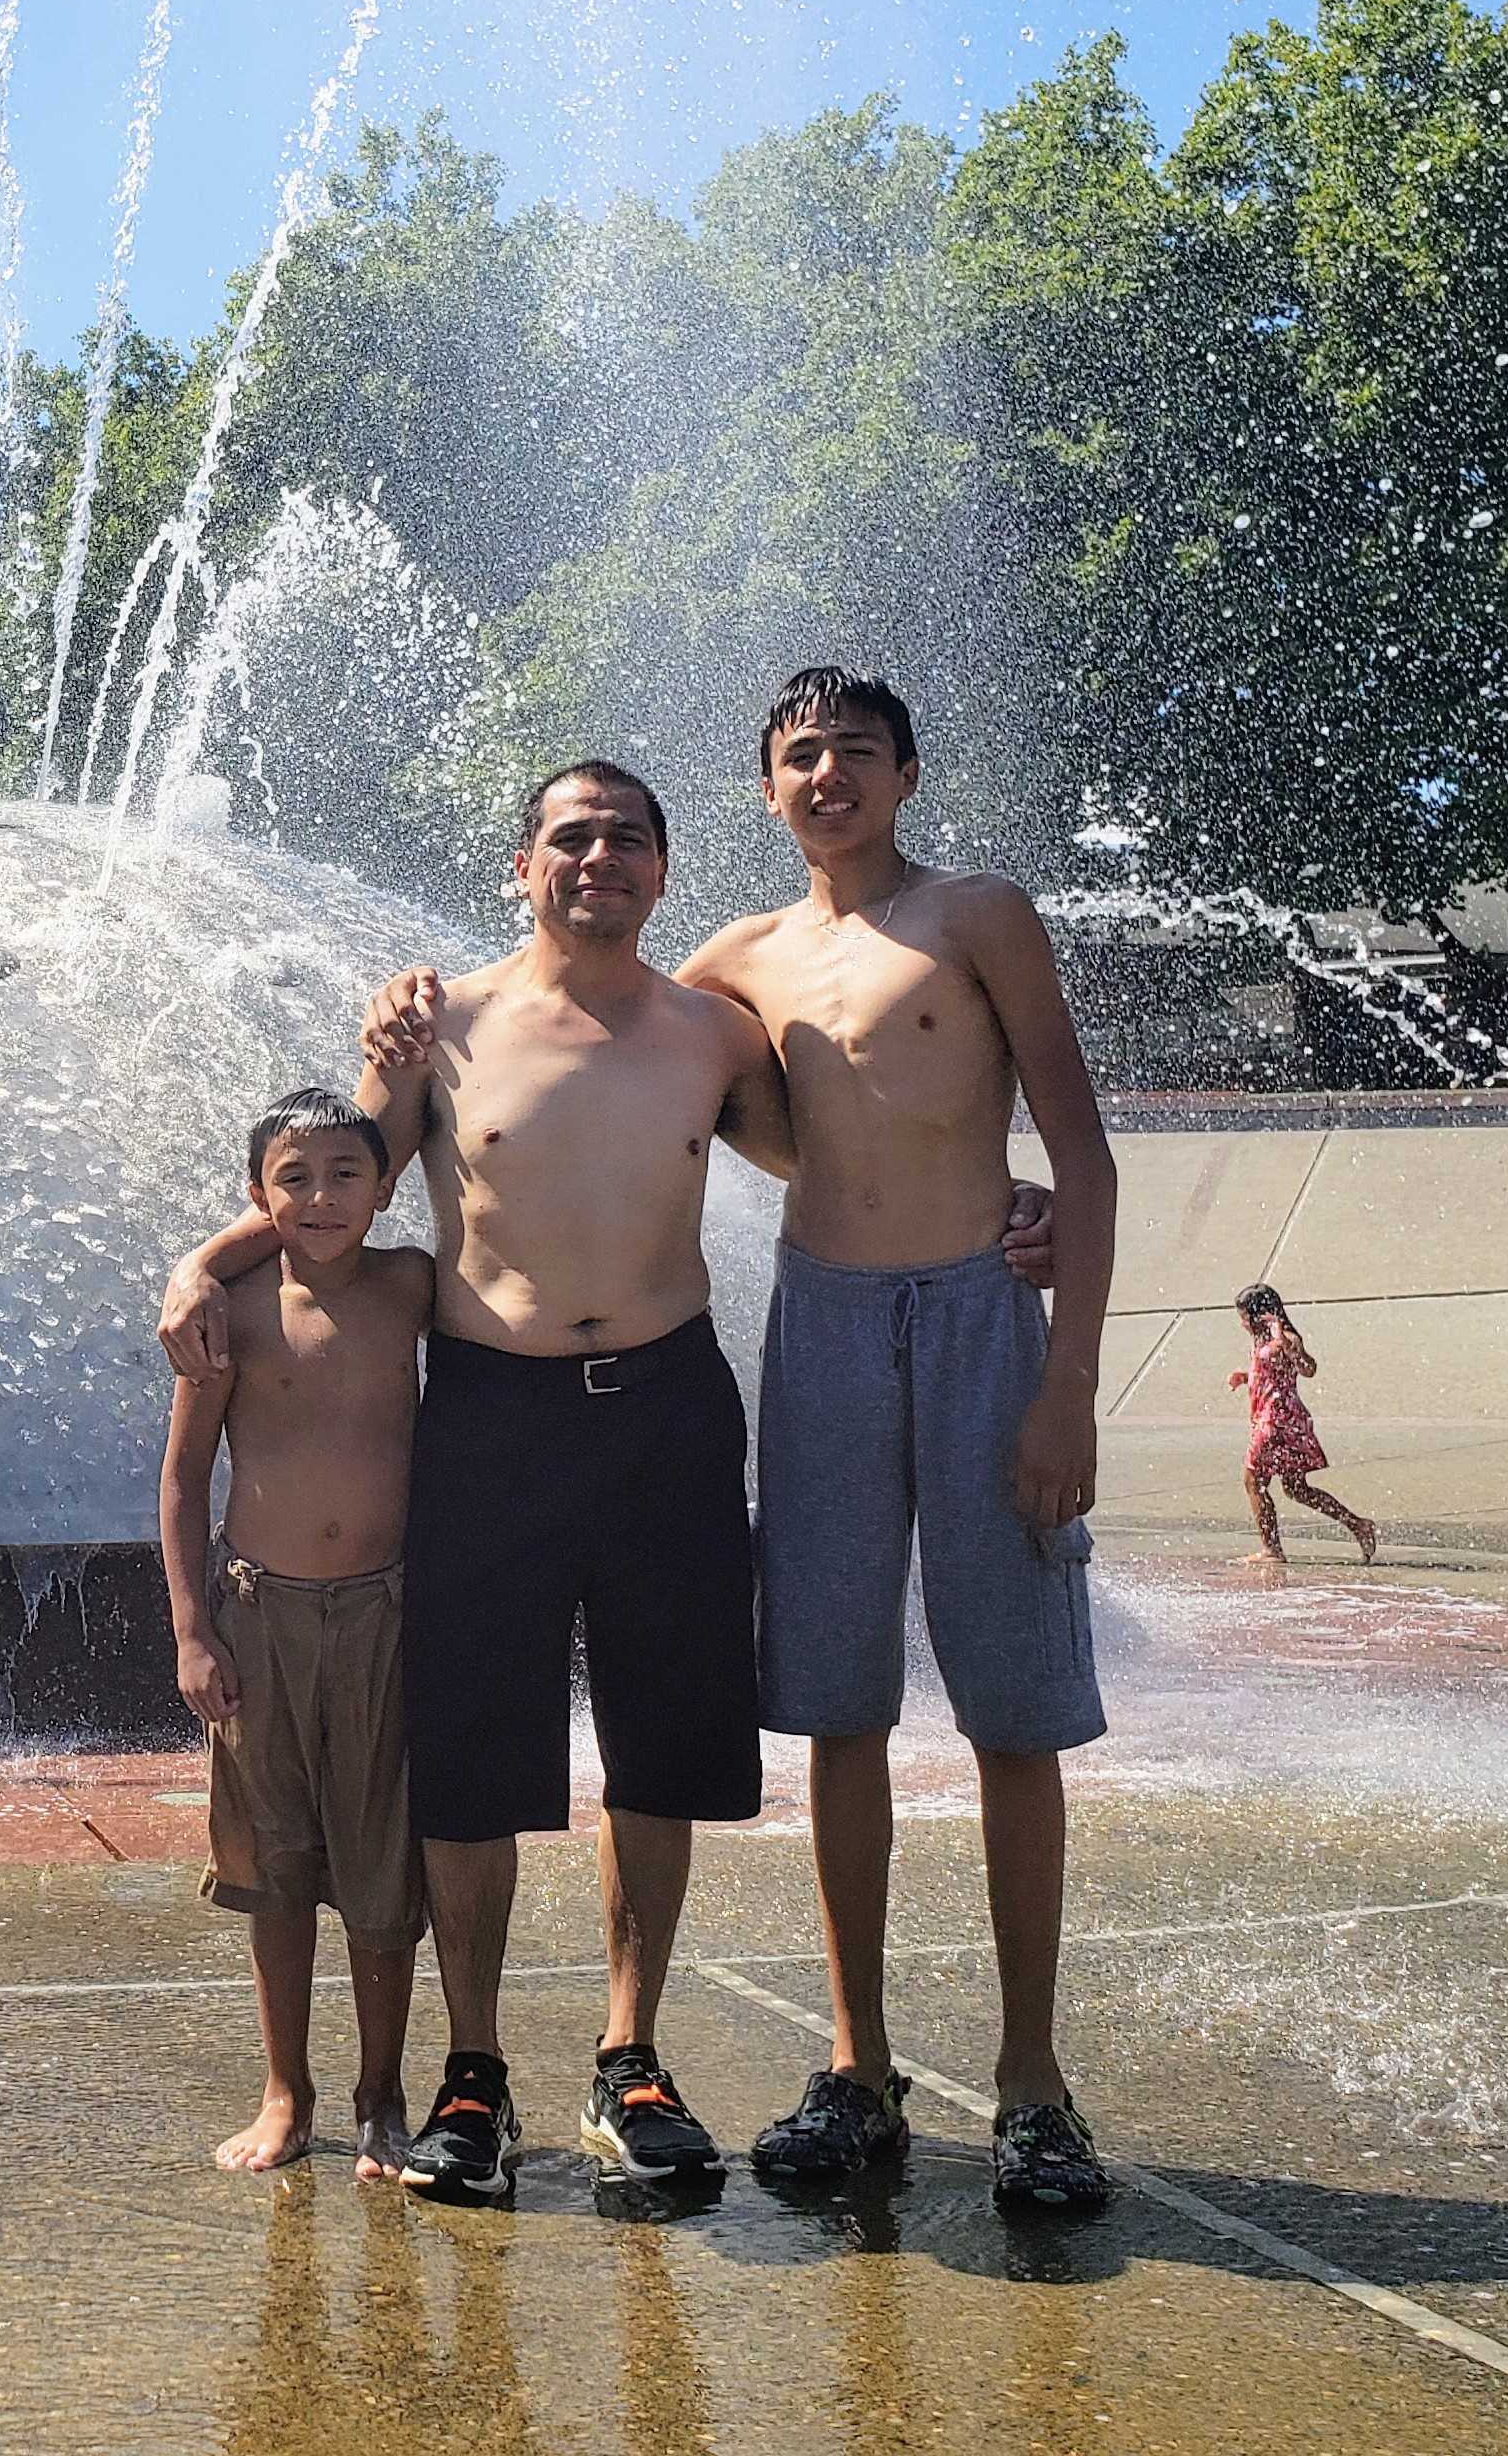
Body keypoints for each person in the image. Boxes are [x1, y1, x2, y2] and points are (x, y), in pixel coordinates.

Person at [166, 765, 1058, 2204]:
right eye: (571, 839)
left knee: (658, 1745)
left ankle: (628, 2059)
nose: (600, 859)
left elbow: (857, 1155)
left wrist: (1009, 1197)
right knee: (471, 1755)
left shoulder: (712, 1031)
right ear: (521, 865)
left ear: (662, 869)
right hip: (491, 1415)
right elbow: (328, 1199)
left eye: (627, 840)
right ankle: (473, 2069)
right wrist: (202, 1263)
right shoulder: (438, 1024)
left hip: (666, 1411)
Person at [672, 666, 1119, 2213]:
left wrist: (1069, 1386)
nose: (825, 776)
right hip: (829, 1328)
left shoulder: (978, 915)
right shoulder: (736, 959)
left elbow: (1080, 1150)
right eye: (798, 757)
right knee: (836, 1704)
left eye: (853, 752)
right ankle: (859, 2067)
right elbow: (583, 1022)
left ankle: (1033, 2080)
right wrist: (416, 1007)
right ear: (767, 789)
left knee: (1013, 1707)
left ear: (908, 774)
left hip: (984, 1326)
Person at [159, 1086, 437, 2176]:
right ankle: (287, 2092)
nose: (321, 1198)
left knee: (381, 1868)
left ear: (382, 1187)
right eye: (294, 1177)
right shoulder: (233, 1311)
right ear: (256, 1194)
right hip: (261, 1614)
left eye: (345, 1175)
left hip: (386, 1613)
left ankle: (381, 2095)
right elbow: (183, 1483)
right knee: (274, 1866)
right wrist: (193, 1631)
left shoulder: (410, 1286)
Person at [1232, 1283, 1377, 1563]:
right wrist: (1245, 1377)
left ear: (1260, 1314)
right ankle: (1359, 1525)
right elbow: (1273, 1376)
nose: (1241, 1324)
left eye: (1243, 1317)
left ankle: (1271, 1550)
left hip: (1278, 1421)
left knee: (1253, 1480)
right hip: (1279, 1420)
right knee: (1296, 1488)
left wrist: (1285, 1342)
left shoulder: (1285, 1337)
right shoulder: (1261, 1341)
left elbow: (1308, 1369)